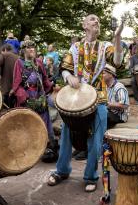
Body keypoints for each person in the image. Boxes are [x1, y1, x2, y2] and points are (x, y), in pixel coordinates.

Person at [47, 14, 124, 192]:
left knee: (96, 141)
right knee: (66, 136)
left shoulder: (106, 46)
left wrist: (118, 36)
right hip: (75, 101)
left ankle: (90, 176)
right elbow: (65, 69)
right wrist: (69, 77)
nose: (96, 21)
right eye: (91, 19)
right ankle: (62, 171)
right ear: (84, 25)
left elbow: (118, 61)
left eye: (98, 20)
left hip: (99, 100)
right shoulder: (75, 47)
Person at [11, 40, 58, 163]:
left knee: (44, 123)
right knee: (29, 124)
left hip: (40, 96)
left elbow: (44, 78)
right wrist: (24, 97)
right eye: (28, 48)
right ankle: (30, 150)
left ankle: (46, 147)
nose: (32, 50)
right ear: (23, 50)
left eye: (33, 48)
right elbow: (16, 83)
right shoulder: (19, 63)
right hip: (28, 97)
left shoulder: (39, 62)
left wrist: (50, 87)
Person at [0, 43, 17, 108]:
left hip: (6, 89)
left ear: (5, 50)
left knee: (6, 111)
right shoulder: (17, 57)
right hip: (16, 88)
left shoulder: (4, 55)